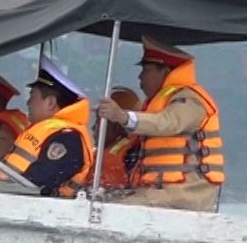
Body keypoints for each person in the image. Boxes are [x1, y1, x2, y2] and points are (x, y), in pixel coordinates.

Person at [95, 37, 224, 211]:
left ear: (165, 71)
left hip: (185, 194)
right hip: (160, 191)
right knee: (100, 199)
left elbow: (168, 123)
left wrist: (123, 116)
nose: (140, 76)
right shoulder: (158, 102)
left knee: (111, 210)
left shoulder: (191, 99)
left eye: (146, 70)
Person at [5, 57, 95, 197]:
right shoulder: (53, 133)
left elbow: (41, 181)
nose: (28, 103)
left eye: (32, 96)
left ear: (50, 103)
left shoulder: (68, 139)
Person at [97, 86, 144, 190]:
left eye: (99, 121)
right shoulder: (99, 153)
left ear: (115, 124)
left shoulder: (133, 153)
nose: (93, 127)